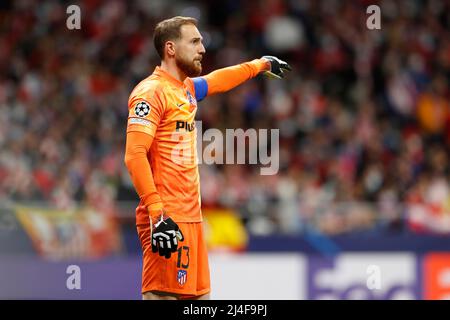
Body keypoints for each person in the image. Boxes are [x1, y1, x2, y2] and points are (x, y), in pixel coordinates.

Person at [124, 16, 290, 300]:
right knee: (161, 297)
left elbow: (217, 81)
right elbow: (134, 154)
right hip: (167, 217)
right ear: (171, 48)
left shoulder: (185, 90)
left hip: (192, 218)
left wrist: (259, 65)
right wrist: (157, 215)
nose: (202, 48)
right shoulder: (151, 93)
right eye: (195, 42)